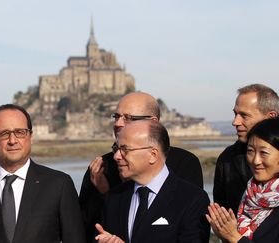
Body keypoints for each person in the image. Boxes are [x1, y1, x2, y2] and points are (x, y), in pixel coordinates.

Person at [78, 91, 203, 241]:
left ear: (154, 122)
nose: (118, 123)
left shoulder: (185, 165)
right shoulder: (100, 168)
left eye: (129, 118)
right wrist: (103, 194)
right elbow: (85, 229)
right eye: (116, 116)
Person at [0, 104, 85, 243]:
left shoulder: (59, 185)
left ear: (30, 136)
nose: (12, 140)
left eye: (20, 132)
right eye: (4, 134)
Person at [95, 120, 210, 243]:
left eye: (125, 149)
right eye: (116, 148)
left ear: (153, 155)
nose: (116, 156)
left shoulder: (192, 199)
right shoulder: (114, 197)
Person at [207, 118, 279, 242]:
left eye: (264, 153)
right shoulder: (250, 194)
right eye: (250, 151)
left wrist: (234, 237)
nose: (255, 161)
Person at [213, 84, 279, 214]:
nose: (235, 122)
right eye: (235, 114)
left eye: (244, 115)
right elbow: (222, 214)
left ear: (271, 116)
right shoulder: (227, 158)